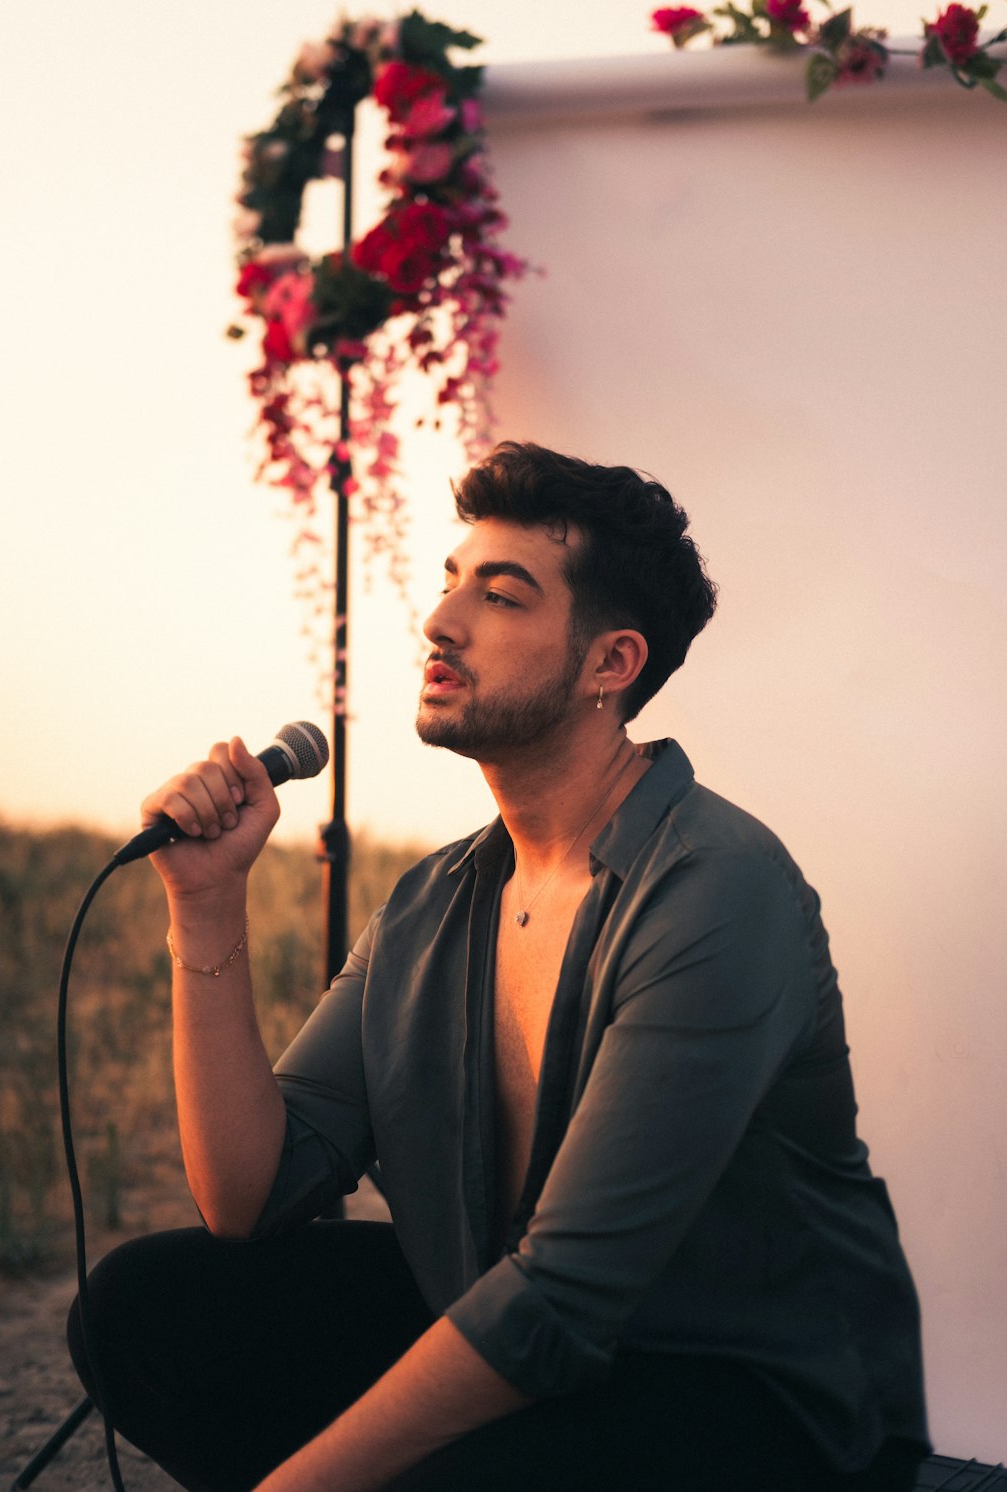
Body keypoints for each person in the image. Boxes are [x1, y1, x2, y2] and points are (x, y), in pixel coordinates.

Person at [69, 442, 929, 1492]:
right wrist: (206, 908)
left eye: (503, 595)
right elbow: (250, 1192)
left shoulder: (717, 889)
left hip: (739, 1395)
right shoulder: (437, 901)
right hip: (531, 1347)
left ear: (611, 665)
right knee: (146, 1308)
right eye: (449, 582)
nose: (441, 621)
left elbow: (560, 1299)